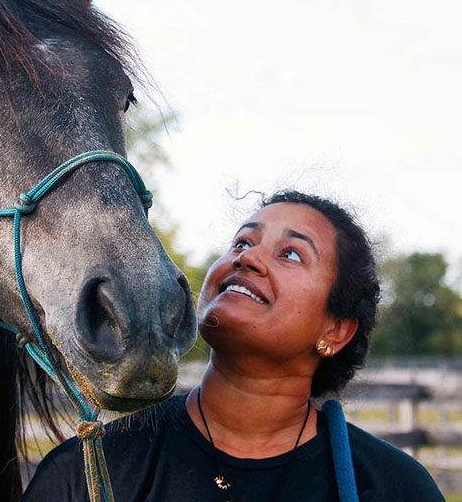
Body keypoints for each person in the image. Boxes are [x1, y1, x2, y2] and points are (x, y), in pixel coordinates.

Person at [22, 190, 445, 501]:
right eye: (242, 243)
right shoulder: (88, 476)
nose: (247, 258)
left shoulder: (395, 488)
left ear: (335, 331)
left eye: (291, 254)